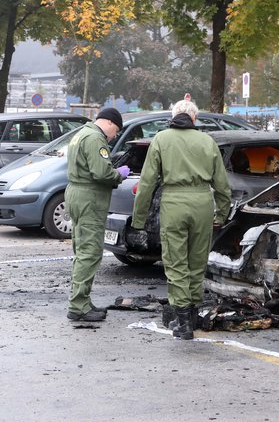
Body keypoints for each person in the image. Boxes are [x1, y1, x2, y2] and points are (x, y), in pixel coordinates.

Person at [131, 100, 231, 340]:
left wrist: (139, 219)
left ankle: (183, 322)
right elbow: (222, 185)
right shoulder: (208, 141)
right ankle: (193, 315)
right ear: (194, 119)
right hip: (202, 204)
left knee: (176, 263)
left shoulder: (162, 139)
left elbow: (147, 182)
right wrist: (221, 214)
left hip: (174, 203)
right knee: (197, 262)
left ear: (173, 116)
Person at [66, 108, 130, 322]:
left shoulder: (80, 134)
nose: (113, 137)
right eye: (116, 132)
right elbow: (101, 173)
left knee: (81, 249)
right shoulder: (95, 138)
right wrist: (118, 175)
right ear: (110, 123)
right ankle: (78, 306)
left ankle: (81, 299)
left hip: (76, 194)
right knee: (90, 252)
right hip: (89, 198)